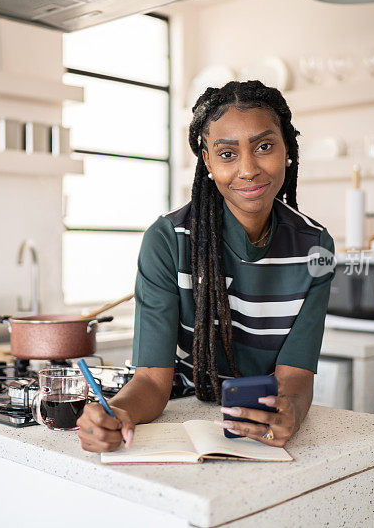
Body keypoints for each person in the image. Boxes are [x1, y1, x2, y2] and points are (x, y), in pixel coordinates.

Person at [77, 80, 335, 453]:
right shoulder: (168, 240)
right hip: (181, 418)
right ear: (207, 160)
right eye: (227, 154)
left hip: (260, 424)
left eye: (264, 147)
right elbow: (151, 380)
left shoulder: (315, 246)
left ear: (288, 149)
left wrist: (289, 412)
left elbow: (295, 376)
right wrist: (115, 413)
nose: (249, 169)